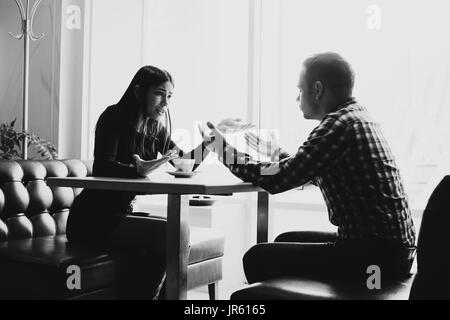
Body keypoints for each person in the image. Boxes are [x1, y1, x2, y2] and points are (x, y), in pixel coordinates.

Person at [203, 52, 416, 285]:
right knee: (284, 240)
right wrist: (276, 153)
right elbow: (316, 173)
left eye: (300, 90)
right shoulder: (358, 117)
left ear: (317, 89)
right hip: (393, 253)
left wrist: (222, 149)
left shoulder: (337, 125)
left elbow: (277, 179)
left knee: (257, 257)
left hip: (372, 258)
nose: (297, 98)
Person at [66, 66, 209, 299]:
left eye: (169, 96)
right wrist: (137, 170)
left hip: (120, 215)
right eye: (160, 94)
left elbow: (185, 164)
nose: (166, 103)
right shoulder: (113, 117)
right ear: (138, 91)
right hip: (91, 219)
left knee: (176, 233)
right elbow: (102, 166)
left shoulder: (157, 130)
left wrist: (210, 144)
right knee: (170, 234)